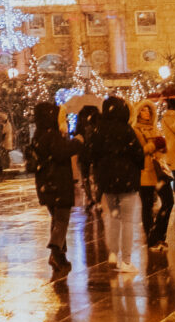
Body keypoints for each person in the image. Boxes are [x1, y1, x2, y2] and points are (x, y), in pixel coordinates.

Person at [88, 95, 146, 279]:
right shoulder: (127, 130)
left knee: (113, 217)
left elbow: (91, 154)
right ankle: (126, 261)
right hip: (127, 180)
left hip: (107, 181)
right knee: (128, 220)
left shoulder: (99, 131)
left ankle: (113, 253)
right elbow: (138, 154)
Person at [26, 101, 83, 271]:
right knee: (62, 219)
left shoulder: (38, 134)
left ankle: (61, 256)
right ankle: (55, 251)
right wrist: (77, 142)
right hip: (58, 182)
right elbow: (60, 153)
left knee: (56, 218)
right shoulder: (53, 135)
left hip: (46, 183)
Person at [133, 101, 174, 251]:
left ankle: (159, 234)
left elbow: (162, 150)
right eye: (143, 110)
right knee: (147, 206)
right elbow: (137, 152)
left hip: (159, 171)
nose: (147, 113)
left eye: (149, 111)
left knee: (169, 202)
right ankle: (152, 240)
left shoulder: (155, 128)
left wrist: (163, 146)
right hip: (145, 172)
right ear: (138, 113)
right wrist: (152, 146)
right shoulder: (135, 130)